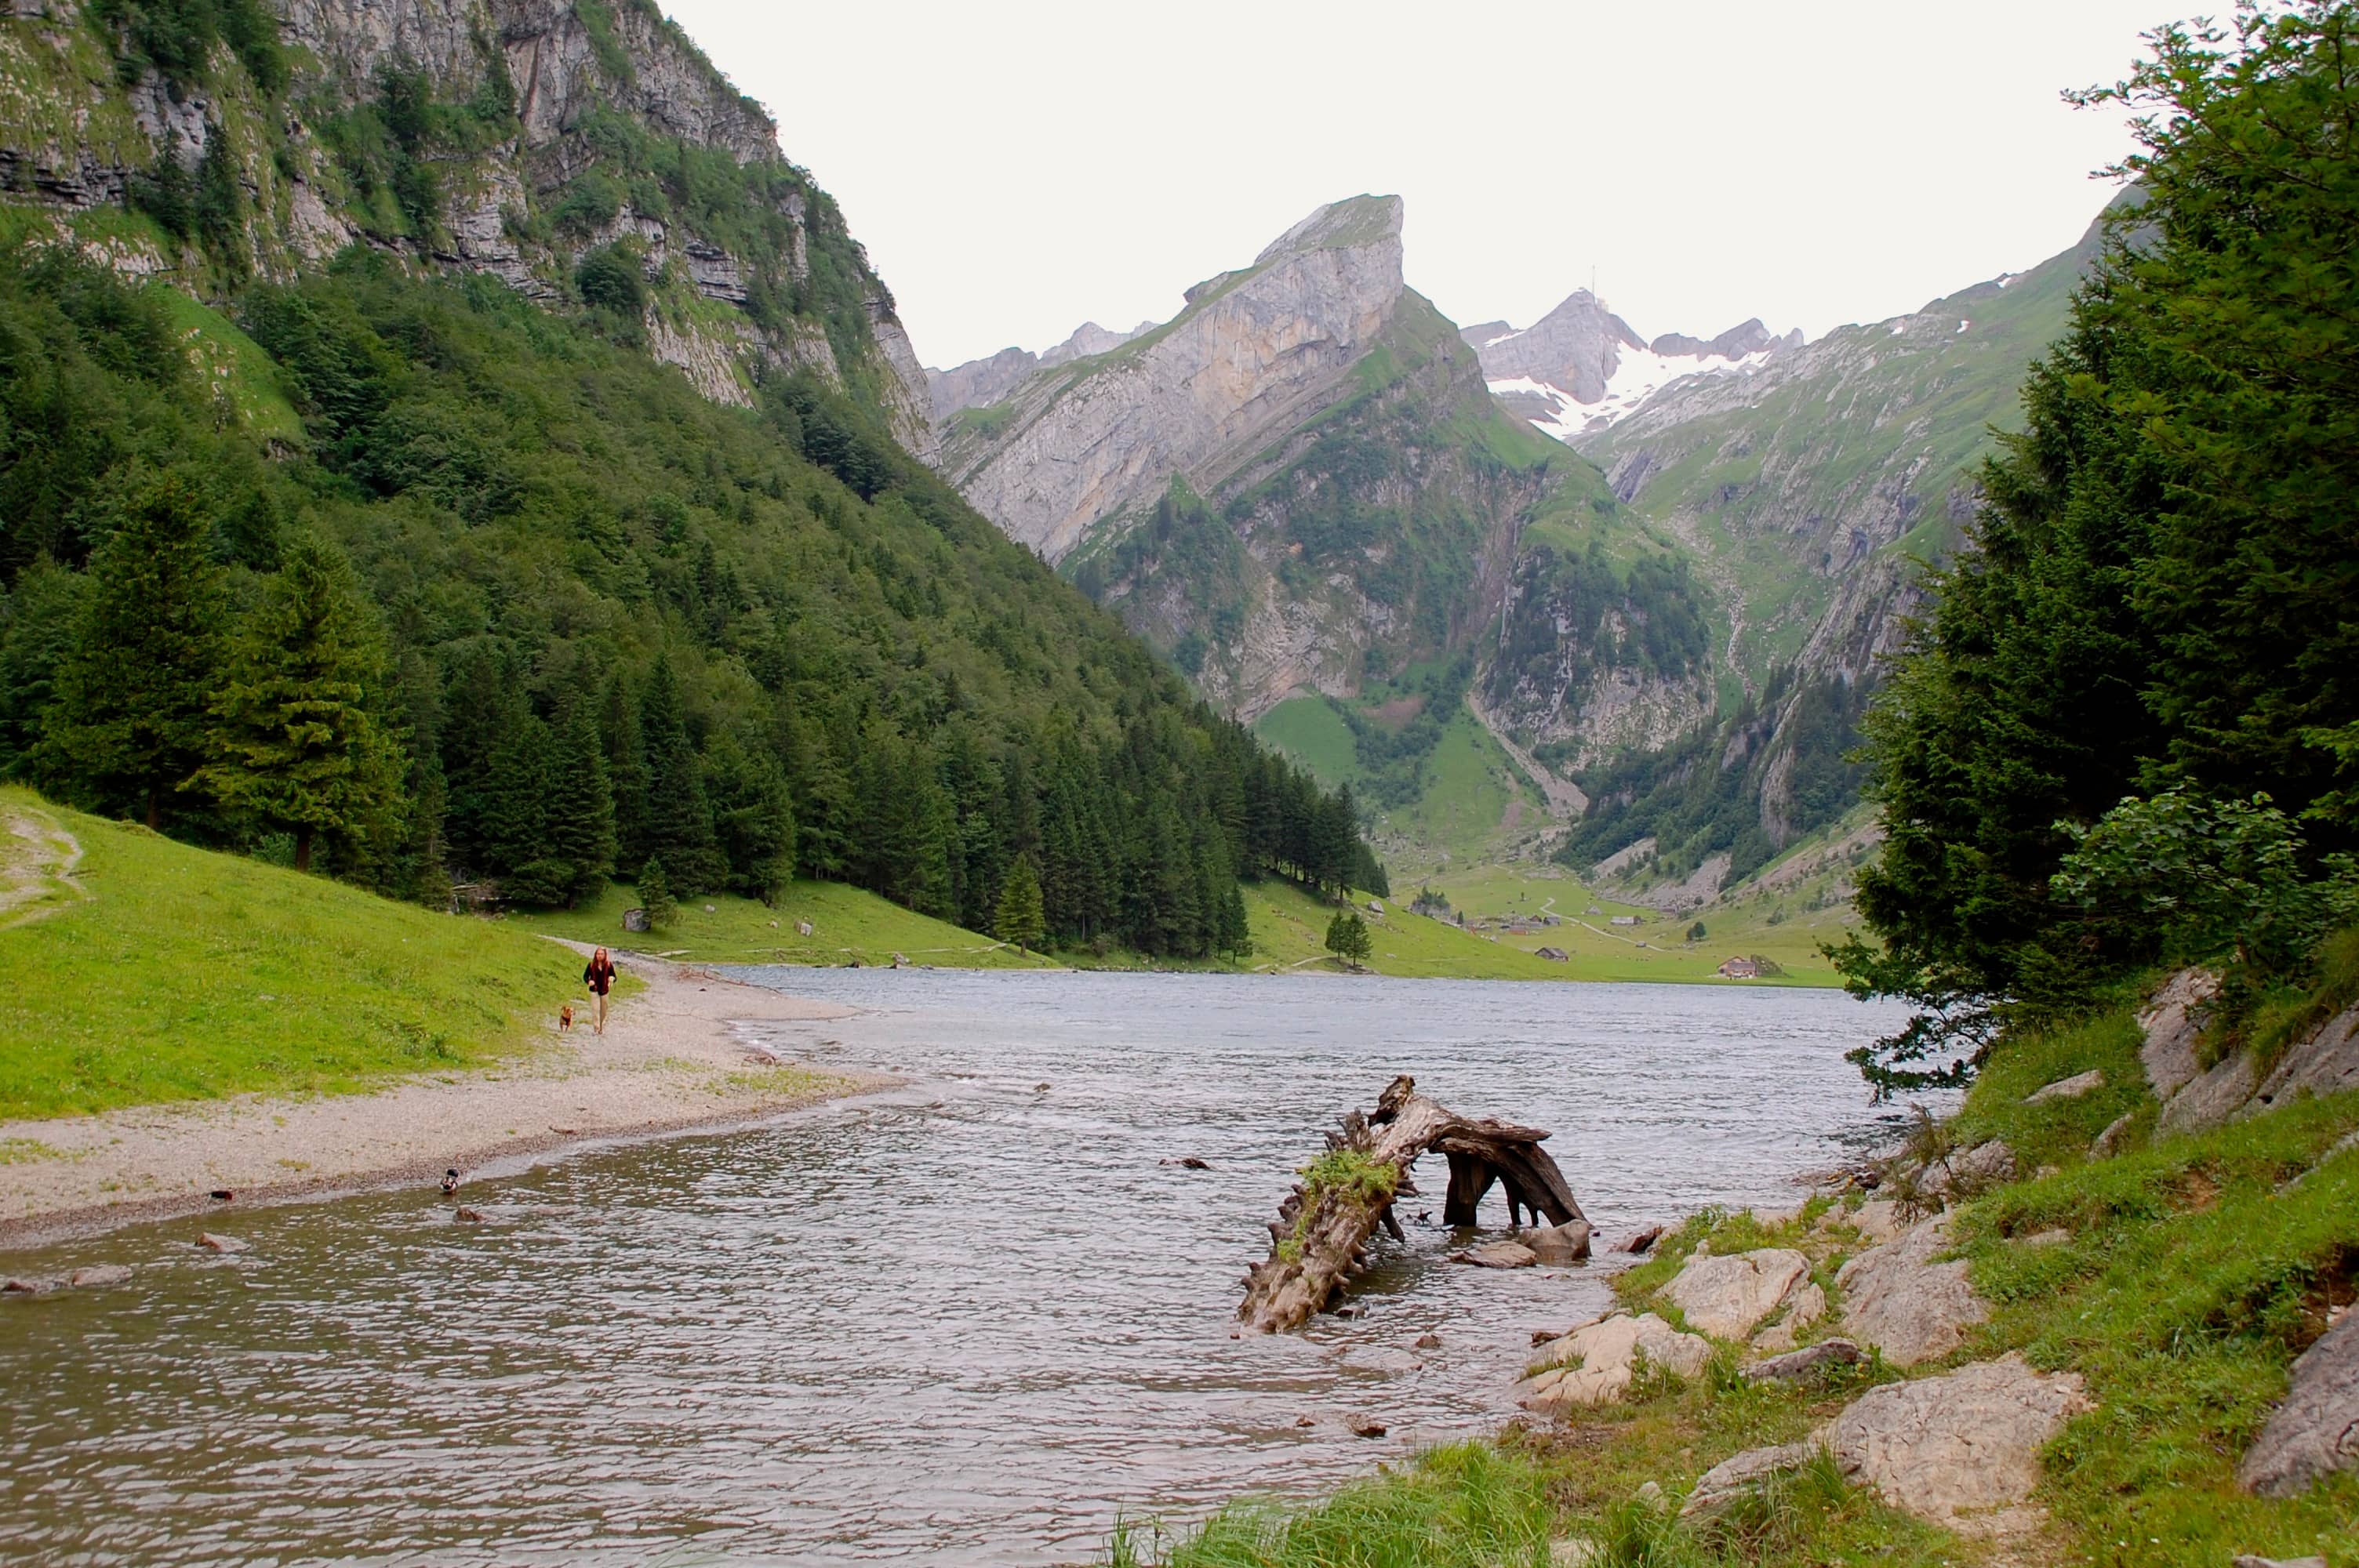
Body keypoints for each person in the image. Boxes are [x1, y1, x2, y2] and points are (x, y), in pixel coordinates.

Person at [583, 946, 617, 1035]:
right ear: (595, 955)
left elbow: (614, 977)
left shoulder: (609, 965)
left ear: (605, 955)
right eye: (598, 954)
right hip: (594, 989)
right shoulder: (591, 965)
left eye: (602, 954)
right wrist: (589, 981)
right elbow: (585, 976)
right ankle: (596, 1027)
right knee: (595, 1009)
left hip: (605, 990)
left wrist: (612, 978)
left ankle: (601, 1026)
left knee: (604, 1010)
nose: (600, 956)